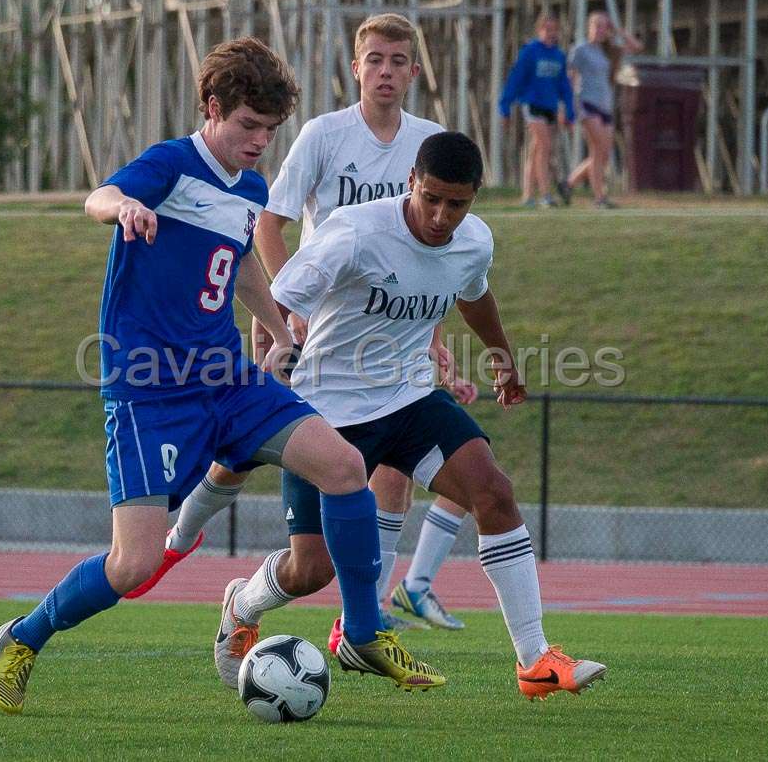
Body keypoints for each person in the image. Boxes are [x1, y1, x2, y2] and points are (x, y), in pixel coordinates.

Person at [0, 37, 438, 715]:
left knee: (343, 467)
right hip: (150, 388)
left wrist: (282, 329)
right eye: (248, 126)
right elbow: (98, 197)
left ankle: (366, 632)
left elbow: (241, 263)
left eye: (269, 130)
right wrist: (125, 209)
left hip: (227, 377)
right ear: (212, 108)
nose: (260, 142)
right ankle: (24, 636)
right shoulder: (171, 164)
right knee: (133, 567)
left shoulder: (249, 188)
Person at [128, 14, 479, 639]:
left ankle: (359, 622)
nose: (386, 72)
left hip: (390, 337)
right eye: (375, 59)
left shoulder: (430, 144)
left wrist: (434, 338)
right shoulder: (323, 135)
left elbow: (432, 255)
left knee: (391, 470)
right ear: (356, 67)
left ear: (415, 71)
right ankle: (180, 537)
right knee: (245, 448)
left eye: (398, 61)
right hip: (320, 326)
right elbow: (268, 222)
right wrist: (288, 313)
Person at [236, 131, 607, 700]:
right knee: (310, 571)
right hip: (327, 413)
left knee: (494, 492)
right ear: (411, 181)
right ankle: (243, 603)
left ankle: (535, 660)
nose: (440, 215)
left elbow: (473, 294)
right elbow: (275, 299)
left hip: (410, 399)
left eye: (455, 204)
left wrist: (503, 360)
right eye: (430, 198)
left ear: (474, 198)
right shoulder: (355, 233)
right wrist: (269, 368)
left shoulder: (473, 242)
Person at [565, 11, 642, 209]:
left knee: (603, 153)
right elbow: (570, 77)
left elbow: (636, 48)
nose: (600, 30)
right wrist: (568, 108)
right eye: (597, 25)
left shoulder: (609, 51)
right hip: (587, 105)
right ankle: (599, 197)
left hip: (605, 106)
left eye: (604, 26)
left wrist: (619, 32)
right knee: (600, 149)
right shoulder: (580, 50)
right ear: (589, 27)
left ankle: (568, 184)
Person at [498, 14, 574, 207]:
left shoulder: (558, 55)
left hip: (550, 107)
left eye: (554, 29)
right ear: (539, 30)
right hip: (532, 105)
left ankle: (527, 195)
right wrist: (505, 107)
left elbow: (564, 85)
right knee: (545, 147)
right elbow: (516, 78)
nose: (550, 33)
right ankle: (546, 194)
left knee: (537, 150)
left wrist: (569, 111)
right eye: (546, 29)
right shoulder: (530, 52)